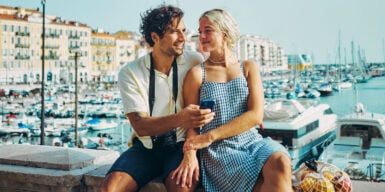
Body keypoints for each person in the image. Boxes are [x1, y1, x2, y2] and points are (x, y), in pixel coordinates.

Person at [173, 9, 293, 192]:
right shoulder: (197, 74)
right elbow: (192, 124)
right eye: (200, 32)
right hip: (218, 150)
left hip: (252, 141)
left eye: (208, 30)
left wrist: (209, 135)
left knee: (282, 161)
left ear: (224, 33)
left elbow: (256, 115)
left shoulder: (248, 67)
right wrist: (190, 153)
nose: (201, 36)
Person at [99, 5, 214, 192]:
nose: (183, 38)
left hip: (180, 147)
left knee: (182, 188)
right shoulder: (130, 73)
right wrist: (180, 119)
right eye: (174, 32)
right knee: (109, 189)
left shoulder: (195, 61)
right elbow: (140, 126)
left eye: (183, 31)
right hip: (146, 148)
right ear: (155, 37)